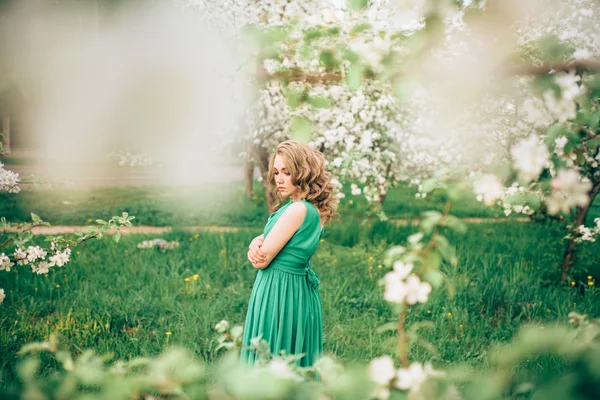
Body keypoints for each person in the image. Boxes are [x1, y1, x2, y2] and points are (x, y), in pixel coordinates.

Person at [240, 140, 338, 368]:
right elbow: (270, 242)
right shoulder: (306, 208)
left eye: (287, 172)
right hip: (293, 288)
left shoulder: (298, 209)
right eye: (276, 172)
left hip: (280, 289)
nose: (279, 179)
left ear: (302, 172)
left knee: (273, 349)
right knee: (288, 354)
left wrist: (256, 246)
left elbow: (261, 260)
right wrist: (256, 241)